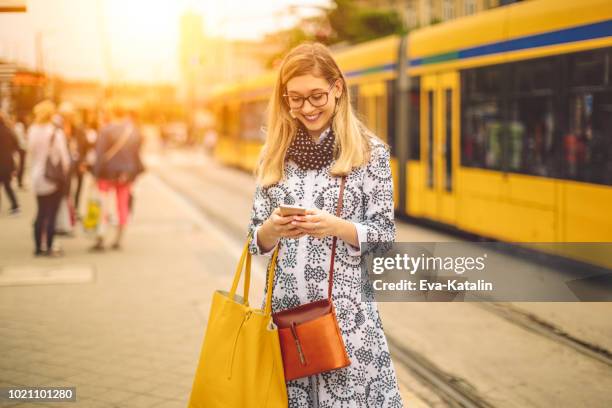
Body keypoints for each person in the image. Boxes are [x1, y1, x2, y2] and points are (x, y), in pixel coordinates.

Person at [247, 43, 403, 407]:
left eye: (316, 95)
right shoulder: (273, 153)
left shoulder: (370, 153)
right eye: (295, 99)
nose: (306, 108)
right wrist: (271, 227)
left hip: (348, 324)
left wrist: (336, 226)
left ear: (337, 88)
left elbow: (384, 238)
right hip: (285, 320)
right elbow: (255, 238)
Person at [91, 101, 142, 251]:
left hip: (107, 172)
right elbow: (136, 155)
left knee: (104, 204)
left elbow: (100, 154)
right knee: (122, 205)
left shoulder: (106, 130)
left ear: (112, 113)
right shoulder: (133, 131)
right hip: (126, 173)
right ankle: (119, 238)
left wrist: (95, 173)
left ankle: (101, 235)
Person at [27, 100, 70, 256]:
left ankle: (38, 247)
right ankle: (49, 247)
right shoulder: (55, 132)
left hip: (37, 176)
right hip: (52, 178)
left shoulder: (32, 130)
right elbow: (64, 159)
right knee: (52, 213)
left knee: (40, 212)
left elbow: (30, 152)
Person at [0, 112, 22, 214]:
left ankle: (14, 205)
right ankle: (15, 205)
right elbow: (17, 145)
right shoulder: (9, 130)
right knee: (7, 185)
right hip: (8, 161)